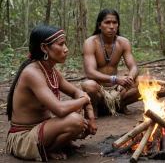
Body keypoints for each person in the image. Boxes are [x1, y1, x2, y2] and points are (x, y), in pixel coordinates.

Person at [6, 25, 97, 161]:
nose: (66, 49)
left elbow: (77, 92)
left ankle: (58, 143)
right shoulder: (32, 73)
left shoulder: (52, 71)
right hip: (24, 139)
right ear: (44, 48)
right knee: (76, 120)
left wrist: (90, 118)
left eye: (65, 44)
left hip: (42, 129)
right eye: (61, 44)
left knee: (79, 118)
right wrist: (84, 100)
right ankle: (49, 149)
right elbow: (60, 109)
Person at [81, 8, 165, 117]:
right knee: (88, 85)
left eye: (114, 23)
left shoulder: (123, 42)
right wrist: (115, 79)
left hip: (118, 90)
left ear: (118, 25)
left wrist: (129, 78)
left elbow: (133, 67)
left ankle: (120, 104)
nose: (111, 26)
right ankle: (95, 107)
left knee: (141, 81)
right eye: (107, 22)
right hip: (99, 90)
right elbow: (90, 73)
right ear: (99, 25)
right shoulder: (90, 43)